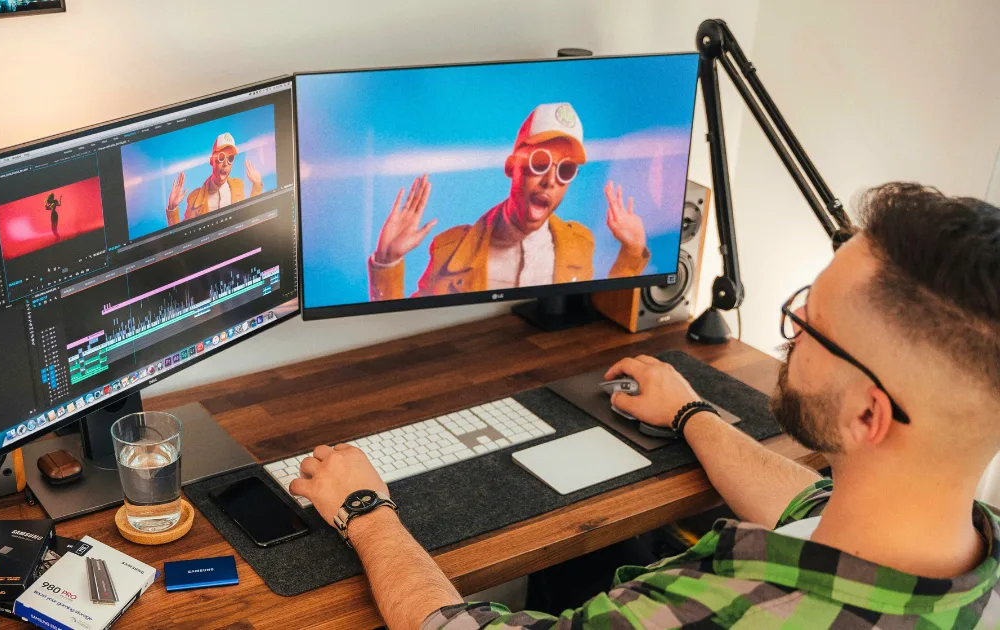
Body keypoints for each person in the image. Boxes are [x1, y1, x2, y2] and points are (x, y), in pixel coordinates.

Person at [291, 182, 1000, 628]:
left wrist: (366, 510)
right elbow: (812, 508)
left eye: (809, 322)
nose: (792, 334)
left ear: (868, 417)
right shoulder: (967, 544)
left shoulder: (725, 612)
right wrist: (693, 414)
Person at [368, 103, 650, 302]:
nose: (550, 180)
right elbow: (408, 331)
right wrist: (387, 262)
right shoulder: (450, 251)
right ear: (510, 166)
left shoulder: (580, 244)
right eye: (540, 163)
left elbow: (595, 318)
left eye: (565, 170)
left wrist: (632, 251)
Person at [165, 132, 263, 226]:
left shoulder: (238, 185)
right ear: (212, 161)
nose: (225, 164)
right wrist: (172, 209)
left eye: (230, 158)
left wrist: (257, 185)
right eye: (221, 157)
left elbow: (249, 216)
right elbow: (184, 236)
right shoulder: (194, 199)